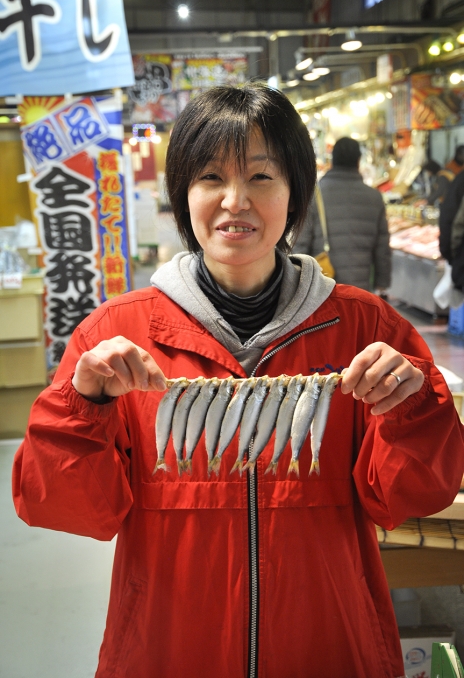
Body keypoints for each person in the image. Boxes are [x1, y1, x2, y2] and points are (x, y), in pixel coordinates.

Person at [12, 83, 464, 678]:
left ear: (295, 192)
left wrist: (410, 409)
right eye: (209, 178)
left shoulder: (366, 328)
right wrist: (82, 407)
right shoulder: (115, 336)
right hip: (167, 650)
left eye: (260, 177)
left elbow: (411, 498)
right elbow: (74, 512)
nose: (234, 201)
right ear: (183, 194)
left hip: (330, 645)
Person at [292, 136, 391, 293]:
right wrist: (382, 283)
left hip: (322, 289)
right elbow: (382, 249)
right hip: (360, 291)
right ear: (358, 161)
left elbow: (300, 244)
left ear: (333, 161)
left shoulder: (313, 195)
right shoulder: (374, 197)